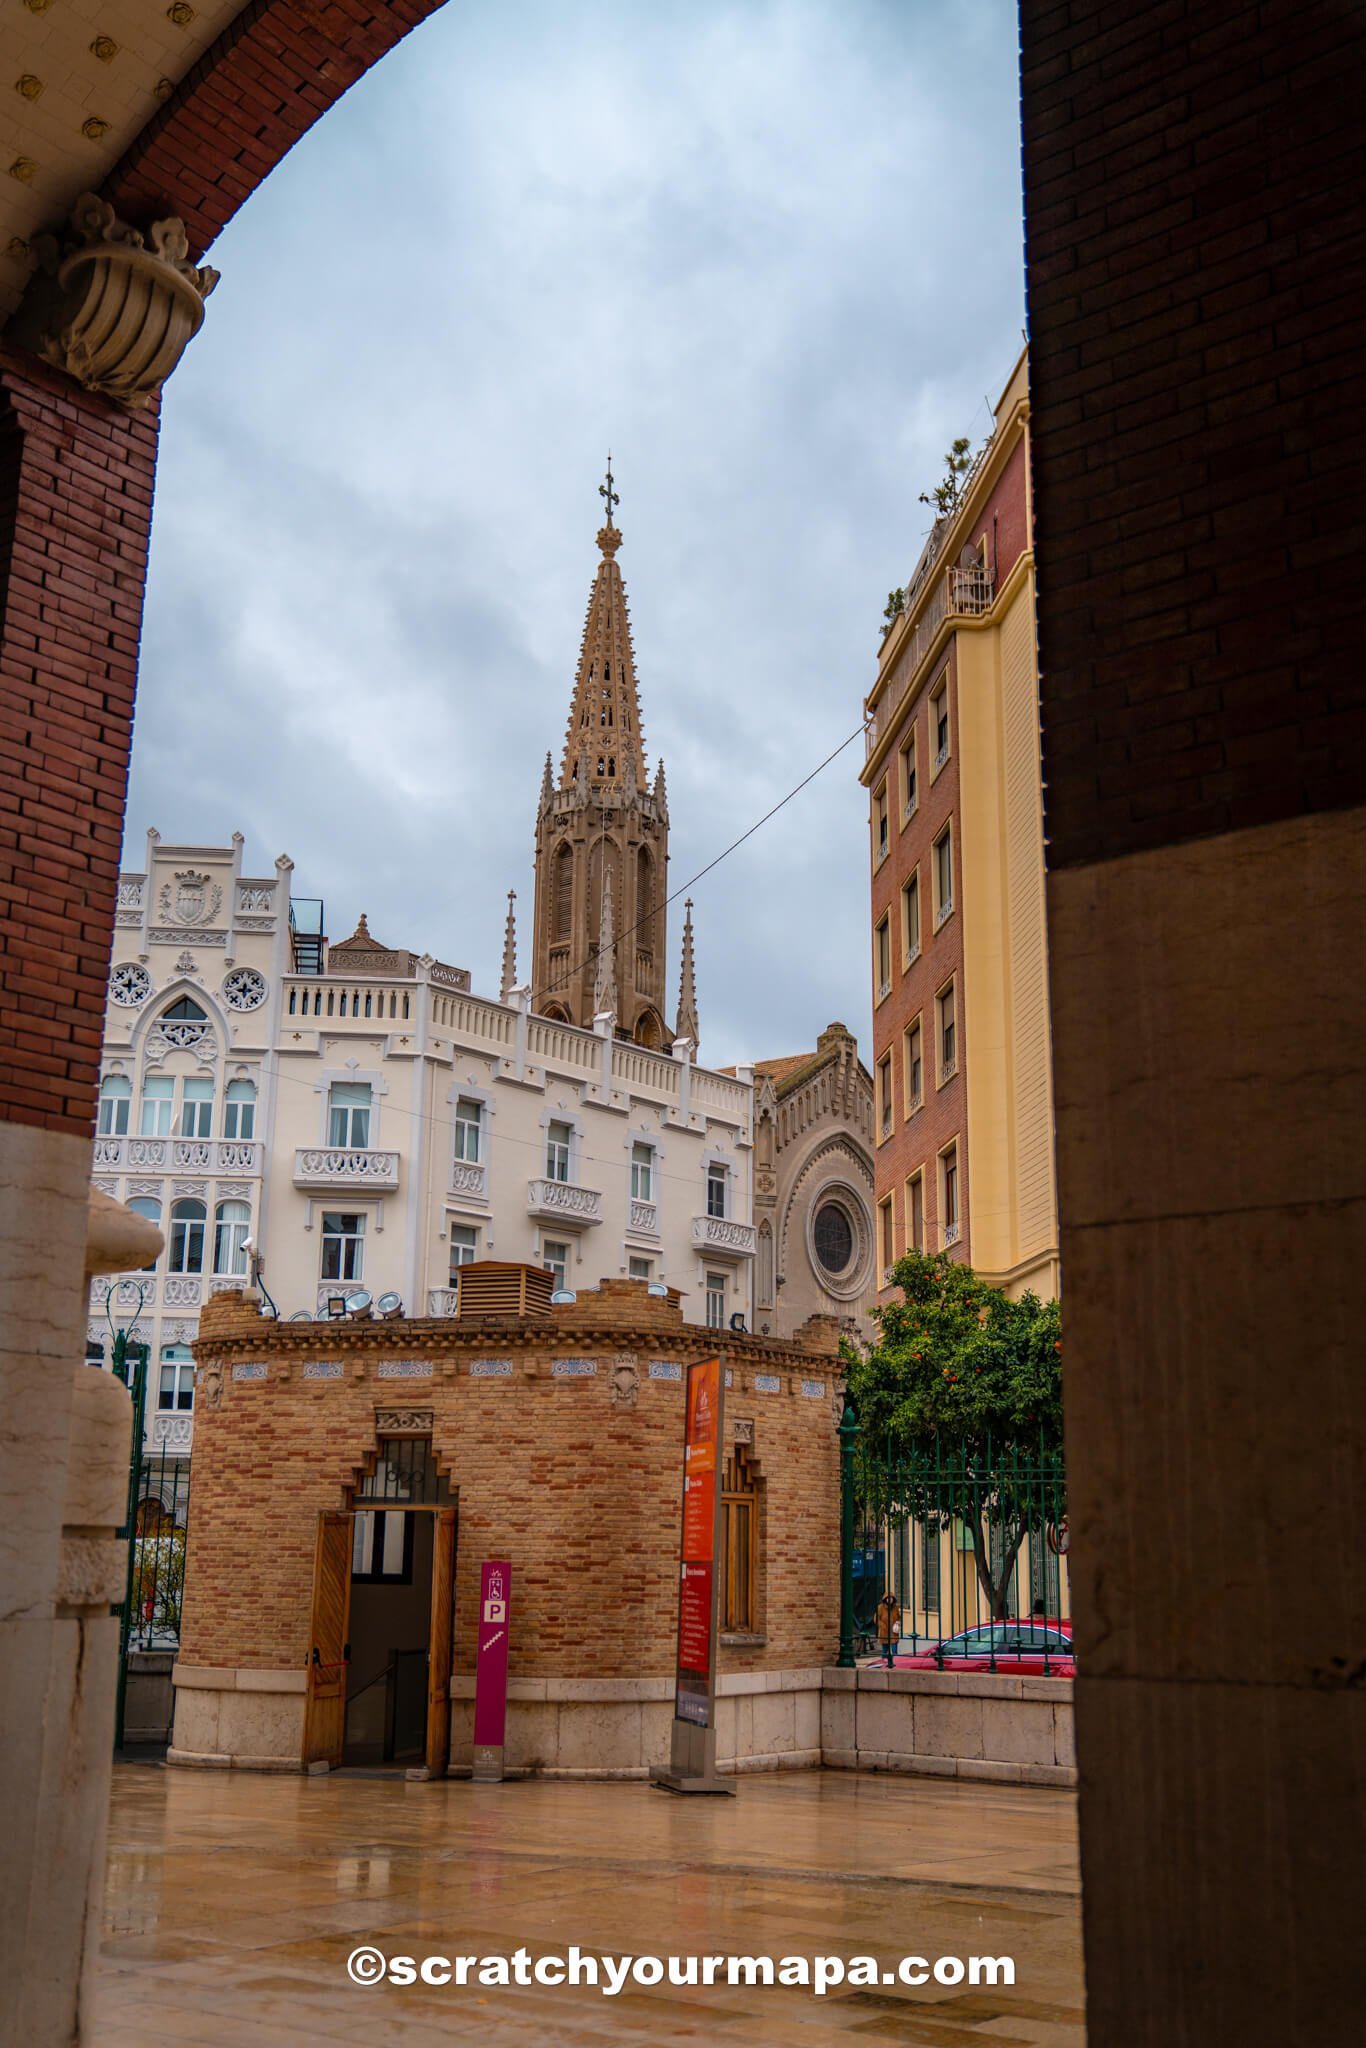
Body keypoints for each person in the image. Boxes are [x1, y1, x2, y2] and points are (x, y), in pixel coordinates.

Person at [875, 1586, 902, 1668]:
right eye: (888, 1598)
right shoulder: (880, 1607)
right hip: (884, 1632)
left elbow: (899, 1617)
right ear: (885, 1599)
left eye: (891, 1598)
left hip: (893, 1632)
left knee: (894, 1650)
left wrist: (898, 1622)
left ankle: (895, 1664)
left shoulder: (896, 1608)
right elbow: (876, 1618)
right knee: (884, 1651)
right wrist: (882, 1625)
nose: (889, 1600)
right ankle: (884, 1664)